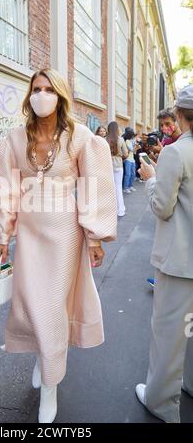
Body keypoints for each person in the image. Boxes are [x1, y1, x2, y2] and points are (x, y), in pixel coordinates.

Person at [0, 68, 117, 423]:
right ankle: (42, 357)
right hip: (30, 236)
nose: (41, 94)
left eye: (48, 89)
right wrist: (3, 235)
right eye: (36, 89)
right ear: (29, 95)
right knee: (32, 304)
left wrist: (94, 237)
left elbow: (94, 186)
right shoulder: (14, 140)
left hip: (65, 235)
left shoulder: (79, 138)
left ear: (60, 95)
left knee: (53, 307)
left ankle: (50, 385)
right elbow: (6, 191)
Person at [136, 84, 193, 423]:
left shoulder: (177, 152)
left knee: (169, 335)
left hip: (180, 259)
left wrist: (151, 178)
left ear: (180, 116)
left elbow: (162, 207)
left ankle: (161, 402)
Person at [106, 121, 128, 217]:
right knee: (118, 188)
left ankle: (111, 210)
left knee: (109, 188)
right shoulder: (121, 140)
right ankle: (121, 210)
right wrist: (120, 158)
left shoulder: (104, 139)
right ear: (117, 129)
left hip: (107, 165)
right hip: (118, 165)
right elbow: (126, 154)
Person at [122, 127, 136, 194]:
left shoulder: (131, 141)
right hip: (128, 160)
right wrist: (136, 147)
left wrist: (135, 147)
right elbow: (131, 150)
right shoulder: (127, 141)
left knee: (133, 174)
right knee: (128, 174)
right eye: (132, 135)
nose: (133, 136)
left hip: (132, 159)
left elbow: (133, 152)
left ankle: (130, 186)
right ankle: (125, 188)